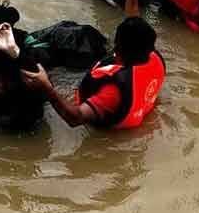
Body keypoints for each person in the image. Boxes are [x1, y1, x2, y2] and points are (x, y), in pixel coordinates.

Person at [21, 16, 166, 130]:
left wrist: (46, 86)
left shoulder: (112, 92)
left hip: (101, 119)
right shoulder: (155, 58)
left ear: (117, 44)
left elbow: (75, 119)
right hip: (137, 112)